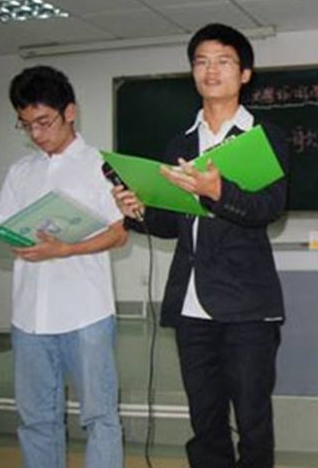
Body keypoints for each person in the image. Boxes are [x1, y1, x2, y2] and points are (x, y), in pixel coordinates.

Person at [113, 23, 288, 468]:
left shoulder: (263, 136)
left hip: (247, 305)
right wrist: (138, 211)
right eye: (201, 61)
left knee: (252, 420)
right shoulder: (181, 142)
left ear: (244, 74)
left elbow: (269, 209)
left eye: (223, 61)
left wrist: (217, 191)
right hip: (191, 305)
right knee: (205, 422)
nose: (211, 70)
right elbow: (173, 222)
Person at [0, 66, 128, 468]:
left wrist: (67, 249)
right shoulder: (20, 171)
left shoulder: (100, 165)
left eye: (44, 122)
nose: (36, 134)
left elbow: (119, 234)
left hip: (86, 313)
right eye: (26, 124)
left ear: (70, 112)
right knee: (36, 420)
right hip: (29, 316)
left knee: (100, 417)